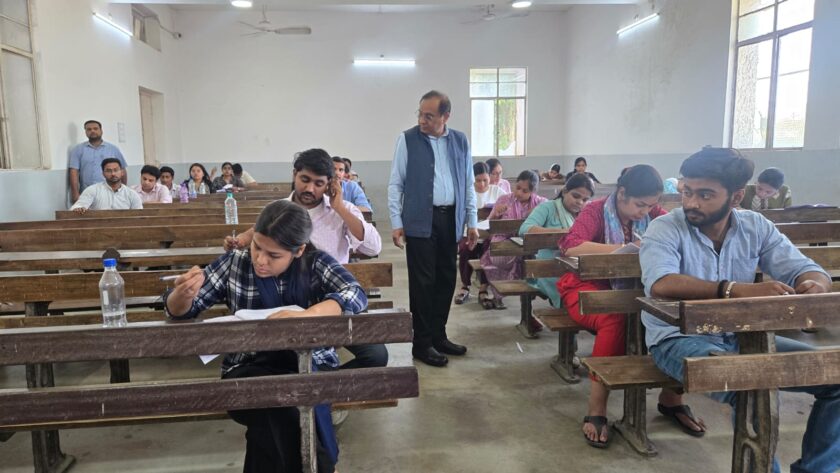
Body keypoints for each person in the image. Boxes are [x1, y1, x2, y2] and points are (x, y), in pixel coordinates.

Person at [641, 147, 839, 473]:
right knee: (751, 383)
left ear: (736, 197)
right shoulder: (666, 227)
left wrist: (814, 283)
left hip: (741, 337)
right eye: (687, 191)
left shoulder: (755, 226)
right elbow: (660, 283)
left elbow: (806, 269)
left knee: (836, 377)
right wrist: (733, 289)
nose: (691, 202)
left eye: (705, 194)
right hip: (676, 340)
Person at [165, 200, 363, 473]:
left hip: (308, 367)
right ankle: (324, 467)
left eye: (273, 255)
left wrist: (307, 315)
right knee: (280, 400)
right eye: (257, 246)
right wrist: (182, 295)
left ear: (299, 250)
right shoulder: (236, 262)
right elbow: (180, 310)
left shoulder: (315, 263)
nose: (260, 260)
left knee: (274, 410)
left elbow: (355, 294)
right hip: (247, 370)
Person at [558, 164, 702, 448]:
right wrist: (623, 248)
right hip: (584, 288)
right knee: (616, 317)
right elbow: (570, 246)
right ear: (622, 193)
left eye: (650, 206)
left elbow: (679, 233)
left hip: (635, 288)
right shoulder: (596, 211)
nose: (644, 212)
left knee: (676, 311)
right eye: (639, 205)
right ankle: (597, 406)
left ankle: (672, 399)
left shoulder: (653, 214)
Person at [226, 149, 384, 371]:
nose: (310, 189)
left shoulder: (342, 211)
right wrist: (241, 239)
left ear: (330, 184)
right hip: (286, 299)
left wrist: (339, 207)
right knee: (284, 360)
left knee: (376, 355)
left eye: (319, 183)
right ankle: (312, 382)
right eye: (305, 180)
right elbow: (261, 233)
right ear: (294, 174)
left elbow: (373, 247)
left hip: (331, 301)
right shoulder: (279, 209)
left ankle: (322, 384)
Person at [388, 90, 478, 368]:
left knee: (446, 280)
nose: (422, 120)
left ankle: (439, 336)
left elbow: (468, 183)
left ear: (445, 116)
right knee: (422, 283)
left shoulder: (460, 141)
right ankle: (422, 343)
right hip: (419, 220)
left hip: (450, 220)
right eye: (420, 114)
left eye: (429, 116)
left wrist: (472, 221)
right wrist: (396, 222)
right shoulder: (407, 140)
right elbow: (396, 183)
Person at [519, 173, 594, 308]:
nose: (580, 202)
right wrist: (565, 234)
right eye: (576, 196)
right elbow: (524, 229)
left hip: (578, 267)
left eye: (585, 200)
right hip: (550, 269)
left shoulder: (586, 214)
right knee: (575, 291)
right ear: (564, 191)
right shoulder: (548, 207)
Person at [480, 170, 547, 312]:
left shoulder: (541, 203)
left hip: (529, 243)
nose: (519, 193)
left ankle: (528, 296)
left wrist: (536, 215)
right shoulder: (503, 199)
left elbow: (546, 225)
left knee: (533, 258)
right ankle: (502, 293)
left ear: (533, 191)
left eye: (525, 191)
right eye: (518, 188)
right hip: (504, 240)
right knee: (505, 258)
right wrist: (496, 215)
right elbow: (489, 225)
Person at [454, 162, 509, 305]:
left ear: (489, 177)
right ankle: (465, 286)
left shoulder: (498, 192)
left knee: (489, 250)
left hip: (490, 234)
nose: (482, 184)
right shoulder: (467, 192)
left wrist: (499, 212)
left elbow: (509, 211)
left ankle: (484, 287)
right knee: (465, 249)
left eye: (485, 180)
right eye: (478, 180)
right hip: (469, 233)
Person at [68, 120, 127, 203]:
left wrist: (123, 191)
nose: (92, 131)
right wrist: (75, 194)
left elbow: (122, 170)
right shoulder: (78, 150)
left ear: (101, 131)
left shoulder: (113, 149)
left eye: (95, 128)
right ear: (85, 132)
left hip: (111, 193)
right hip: (87, 194)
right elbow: (74, 172)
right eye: (89, 129)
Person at [71, 158, 143, 213]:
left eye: (116, 170)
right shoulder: (92, 190)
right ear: (103, 174)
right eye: (108, 171)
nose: (113, 174)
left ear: (122, 172)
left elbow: (139, 214)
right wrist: (79, 208)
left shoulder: (131, 194)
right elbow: (77, 206)